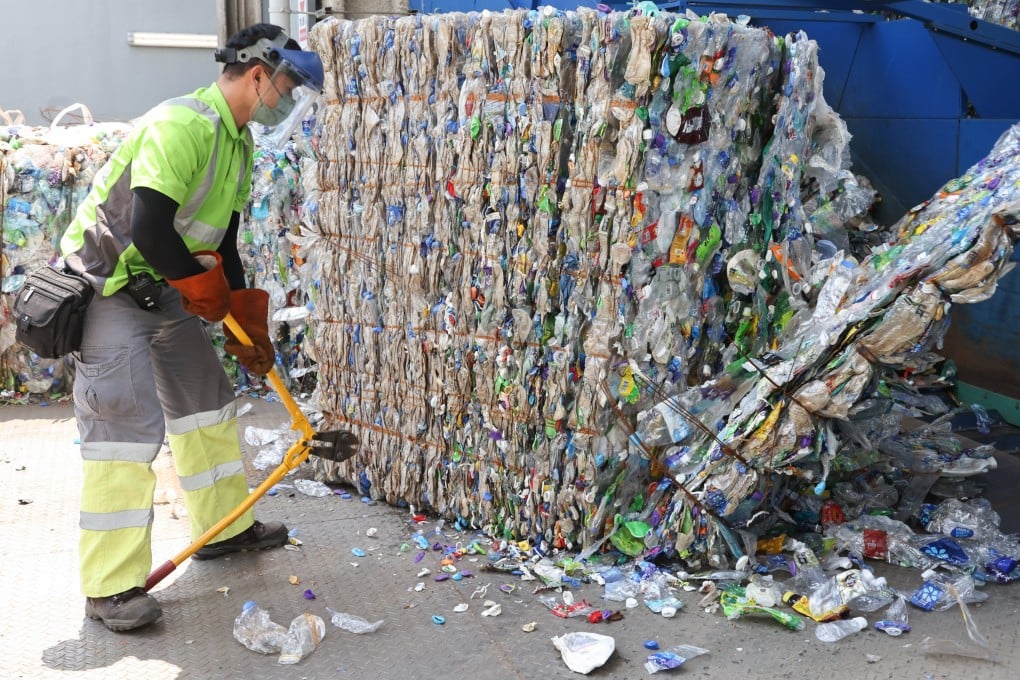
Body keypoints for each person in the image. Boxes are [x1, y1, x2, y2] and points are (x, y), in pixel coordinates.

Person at [58, 23, 324, 632]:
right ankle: (111, 588)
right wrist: (202, 291)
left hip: (169, 287)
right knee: (124, 427)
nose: (286, 100)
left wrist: (242, 318)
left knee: (206, 405)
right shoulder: (182, 125)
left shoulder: (238, 141)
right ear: (258, 74)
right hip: (113, 288)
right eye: (286, 85)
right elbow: (150, 230)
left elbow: (223, 242)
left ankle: (224, 529)